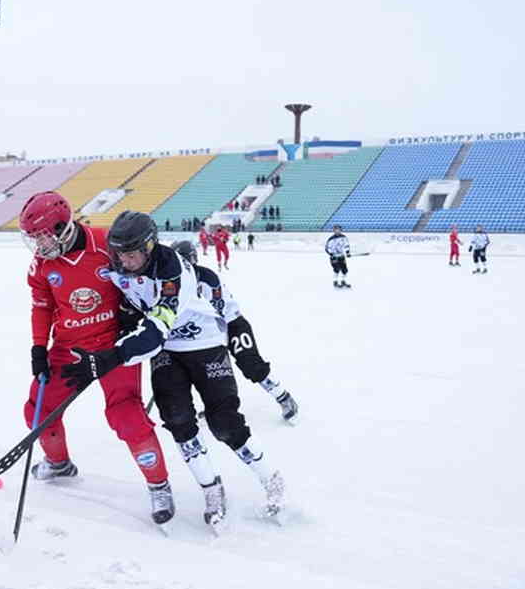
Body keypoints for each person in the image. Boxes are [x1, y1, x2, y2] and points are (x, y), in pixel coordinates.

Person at [61, 211, 285, 528]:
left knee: (224, 424)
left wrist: (108, 359)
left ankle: (270, 478)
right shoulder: (119, 266)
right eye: (119, 253)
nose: (124, 260)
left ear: (150, 247)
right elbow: (126, 306)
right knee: (178, 421)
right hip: (168, 351)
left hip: (203, 343)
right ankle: (211, 489)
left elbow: (154, 334)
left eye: (132, 253)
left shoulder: (172, 273)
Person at [18, 192, 172, 525]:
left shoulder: (106, 242)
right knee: (38, 411)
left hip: (112, 346)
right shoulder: (43, 265)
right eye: (34, 239)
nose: (39, 246)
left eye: (43, 236)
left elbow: (144, 274)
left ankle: (158, 483)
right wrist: (37, 348)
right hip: (68, 348)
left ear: (61, 226)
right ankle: (58, 463)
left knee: (126, 415)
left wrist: (138, 318)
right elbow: (42, 306)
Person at [172, 240, 298, 422]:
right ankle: (215, 408)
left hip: (231, 324)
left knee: (251, 364)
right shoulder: (172, 282)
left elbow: (217, 315)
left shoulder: (207, 278)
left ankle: (283, 397)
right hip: (202, 333)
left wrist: (216, 342)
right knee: (203, 374)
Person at [325, 224, 351, 288]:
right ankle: (335, 281)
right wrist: (331, 254)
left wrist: (347, 252)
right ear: (334, 231)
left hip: (341, 256)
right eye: (336, 230)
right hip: (334, 257)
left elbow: (346, 245)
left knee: (345, 270)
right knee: (337, 269)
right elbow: (327, 248)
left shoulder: (344, 237)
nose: (337, 231)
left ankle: (343, 281)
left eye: (339, 230)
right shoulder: (331, 239)